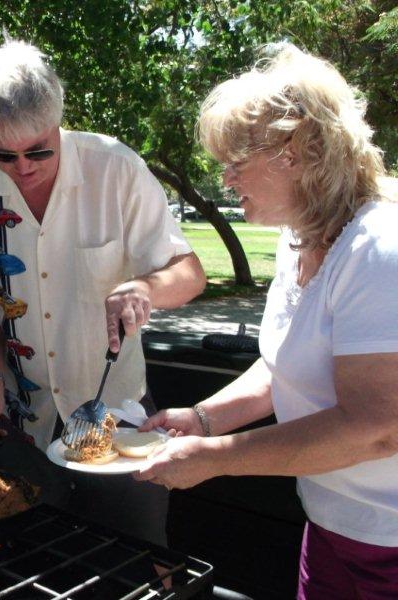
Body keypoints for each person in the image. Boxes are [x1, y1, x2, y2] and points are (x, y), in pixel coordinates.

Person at [135, 44, 398, 597]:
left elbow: (378, 429)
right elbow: (282, 367)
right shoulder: (297, 238)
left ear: (297, 150)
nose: (226, 180)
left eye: (236, 161)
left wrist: (216, 459)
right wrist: (202, 419)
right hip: (331, 527)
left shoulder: (378, 250)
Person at [0, 40, 206, 544]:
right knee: (35, 559)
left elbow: (189, 272)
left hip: (120, 417)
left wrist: (145, 286)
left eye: (39, 149)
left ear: (59, 123)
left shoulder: (117, 169)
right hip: (25, 420)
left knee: (135, 559)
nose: (23, 167)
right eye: (4, 155)